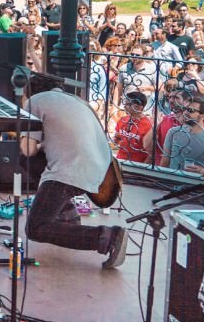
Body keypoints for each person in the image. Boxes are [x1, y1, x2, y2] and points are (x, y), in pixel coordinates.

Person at [19, 75, 128, 269]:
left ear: (30, 91)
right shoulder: (78, 101)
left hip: (70, 170)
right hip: (100, 169)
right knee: (33, 162)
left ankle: (107, 237)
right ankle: (67, 214)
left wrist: (22, 135)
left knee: (35, 228)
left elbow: (28, 150)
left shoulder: (34, 101)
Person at [160, 98, 204, 175]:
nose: (185, 112)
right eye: (184, 109)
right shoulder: (173, 132)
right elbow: (165, 161)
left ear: (203, 116)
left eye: (190, 110)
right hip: (172, 181)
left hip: (197, 185)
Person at [114, 91, 153, 163]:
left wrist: (143, 169)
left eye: (128, 104)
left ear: (139, 107)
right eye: (125, 103)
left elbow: (151, 153)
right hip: (120, 161)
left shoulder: (148, 125)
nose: (124, 106)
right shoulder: (123, 120)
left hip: (136, 165)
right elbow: (116, 141)